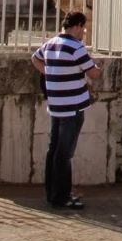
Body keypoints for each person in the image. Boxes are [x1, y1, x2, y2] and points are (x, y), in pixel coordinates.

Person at [31, 11, 102, 209]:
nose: (84, 33)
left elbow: (34, 59)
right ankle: (62, 196)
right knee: (65, 153)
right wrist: (98, 66)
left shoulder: (50, 43)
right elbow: (94, 73)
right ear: (78, 26)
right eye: (84, 28)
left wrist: (51, 73)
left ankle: (52, 192)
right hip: (73, 106)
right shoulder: (76, 47)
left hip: (56, 104)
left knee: (53, 150)